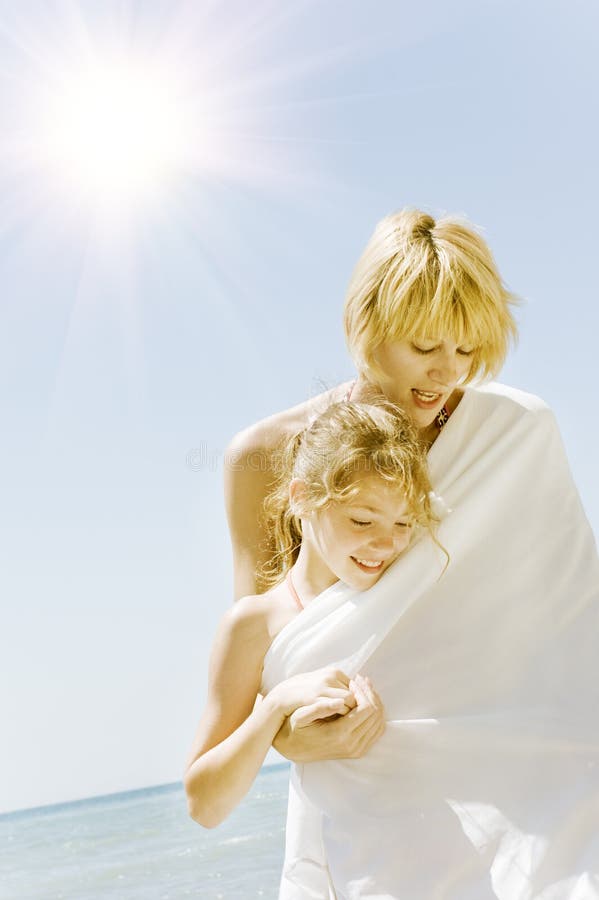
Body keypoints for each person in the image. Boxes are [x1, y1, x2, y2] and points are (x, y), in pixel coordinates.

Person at [225, 209, 599, 898]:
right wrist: (286, 737)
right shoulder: (264, 458)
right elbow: (272, 651)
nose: (445, 374)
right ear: (363, 324)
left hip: (519, 793)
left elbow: (568, 626)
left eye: (467, 351)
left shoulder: (515, 435)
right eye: (424, 345)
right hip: (362, 790)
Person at [184, 399, 438, 829]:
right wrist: (275, 709)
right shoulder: (255, 625)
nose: (385, 546)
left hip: (442, 823)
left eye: (402, 524)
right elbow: (203, 806)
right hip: (344, 844)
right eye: (362, 521)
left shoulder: (416, 574)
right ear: (301, 498)